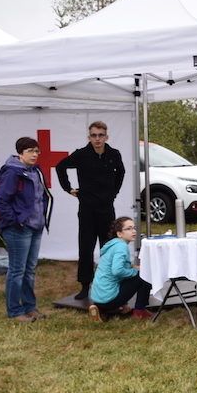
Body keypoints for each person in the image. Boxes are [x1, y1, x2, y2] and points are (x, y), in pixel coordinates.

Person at [55, 120, 126, 300]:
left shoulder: (114, 154)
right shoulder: (81, 155)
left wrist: (113, 192)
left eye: (100, 135)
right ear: (89, 137)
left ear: (106, 137)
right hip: (87, 208)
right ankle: (85, 285)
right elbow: (60, 166)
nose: (97, 139)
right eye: (94, 135)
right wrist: (68, 188)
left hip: (106, 209)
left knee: (108, 248)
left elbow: (121, 172)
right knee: (86, 247)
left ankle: (108, 283)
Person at [0, 136, 53, 323]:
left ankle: (29, 307)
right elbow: (0, 201)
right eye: (30, 151)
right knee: (17, 270)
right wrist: (16, 221)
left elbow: (40, 197)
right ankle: (15, 311)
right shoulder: (12, 173)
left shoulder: (35, 171)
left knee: (30, 269)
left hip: (36, 227)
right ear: (20, 153)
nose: (34, 155)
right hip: (19, 229)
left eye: (36, 151)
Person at [88, 216, 152, 322]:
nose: (133, 231)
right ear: (119, 234)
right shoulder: (121, 247)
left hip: (99, 297)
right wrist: (135, 271)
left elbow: (116, 274)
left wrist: (124, 303)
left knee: (132, 273)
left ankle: (98, 307)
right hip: (109, 299)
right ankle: (140, 311)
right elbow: (117, 271)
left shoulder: (112, 245)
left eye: (134, 228)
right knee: (145, 274)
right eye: (129, 228)